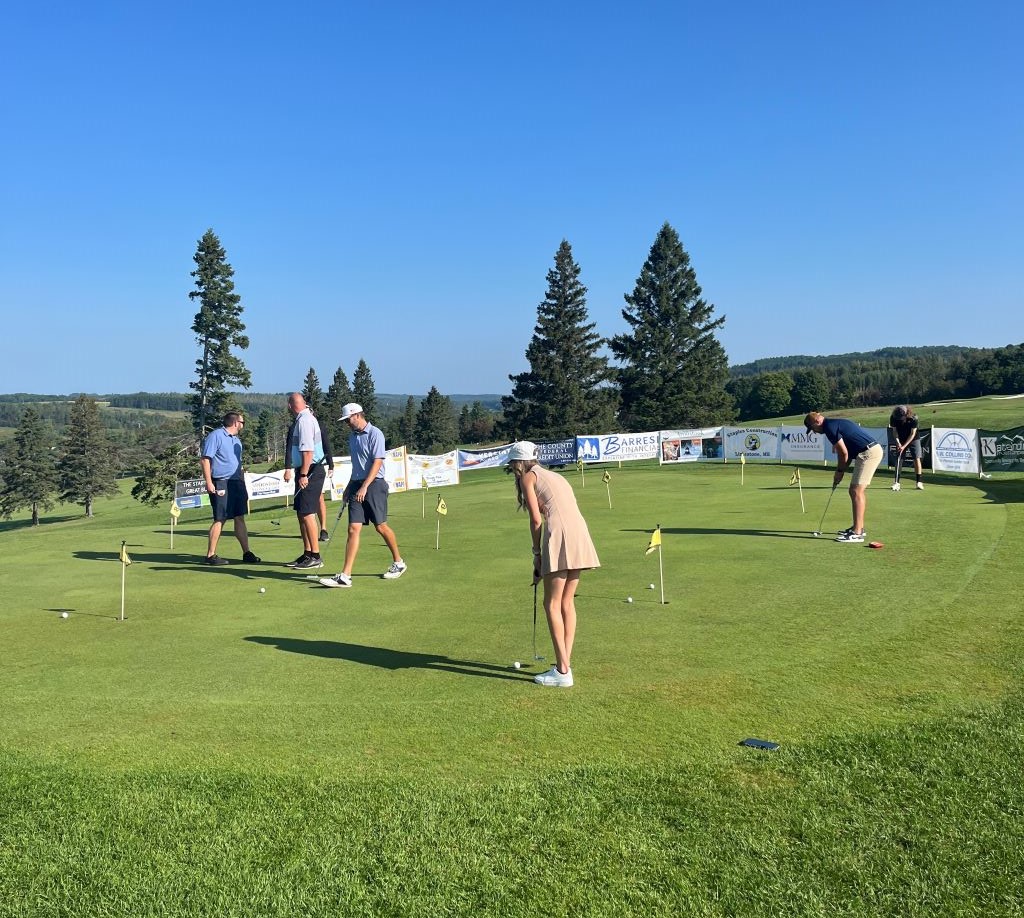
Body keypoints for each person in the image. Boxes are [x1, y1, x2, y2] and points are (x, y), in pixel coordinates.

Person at [506, 440, 600, 688]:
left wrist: (536, 554)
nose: (513, 469)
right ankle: (564, 664)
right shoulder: (555, 476)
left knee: (552, 604)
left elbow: (536, 521)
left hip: (559, 534)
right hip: (579, 532)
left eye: (513, 464)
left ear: (519, 463)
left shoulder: (529, 478)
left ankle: (563, 671)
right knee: (566, 602)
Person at [319, 403, 406, 587]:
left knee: (380, 527)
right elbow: (357, 466)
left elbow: (377, 462)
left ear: (357, 415)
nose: (347, 424)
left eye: (348, 420)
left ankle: (398, 562)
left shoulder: (375, 434)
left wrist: (365, 486)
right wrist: (350, 487)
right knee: (353, 528)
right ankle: (345, 576)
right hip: (357, 485)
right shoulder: (352, 437)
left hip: (374, 485)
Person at [804, 411, 884, 543]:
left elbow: (843, 453)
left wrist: (839, 471)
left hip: (869, 453)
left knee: (856, 491)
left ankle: (857, 533)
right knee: (855, 491)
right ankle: (858, 528)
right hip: (867, 452)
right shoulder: (834, 424)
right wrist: (841, 472)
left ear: (817, 422)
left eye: (813, 429)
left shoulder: (829, 428)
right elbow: (848, 454)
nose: (815, 432)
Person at [199, 411, 260, 566]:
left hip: (236, 482)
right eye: (242, 422)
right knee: (220, 517)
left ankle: (247, 552)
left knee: (239, 516)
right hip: (220, 482)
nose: (243, 425)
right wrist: (209, 482)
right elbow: (205, 460)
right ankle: (210, 555)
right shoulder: (216, 436)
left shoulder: (236, 440)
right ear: (235, 423)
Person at [283, 392, 327, 570]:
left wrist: (303, 474)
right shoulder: (302, 419)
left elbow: (308, 451)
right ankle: (307, 553)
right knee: (301, 512)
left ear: (290, 406)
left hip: (310, 470)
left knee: (308, 512)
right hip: (306, 469)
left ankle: (315, 556)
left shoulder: (305, 420)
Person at [890, 405, 924, 490]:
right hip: (900, 438)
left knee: (916, 458)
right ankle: (896, 483)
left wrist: (904, 446)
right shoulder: (893, 417)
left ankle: (919, 482)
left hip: (913, 438)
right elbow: (894, 431)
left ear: (906, 414)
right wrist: (898, 443)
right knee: (899, 458)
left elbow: (912, 434)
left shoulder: (914, 418)